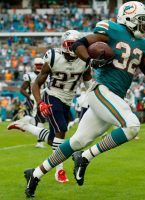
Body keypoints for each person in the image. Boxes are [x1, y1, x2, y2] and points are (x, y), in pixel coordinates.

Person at [23, 1, 145, 198]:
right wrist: (90, 60)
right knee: (132, 126)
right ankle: (85, 158)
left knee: (78, 140)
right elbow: (80, 43)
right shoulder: (112, 29)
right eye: (141, 21)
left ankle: (35, 174)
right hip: (101, 90)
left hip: (114, 98)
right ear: (128, 18)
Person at [16, 30, 91, 184]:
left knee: (54, 139)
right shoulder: (53, 57)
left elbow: (89, 82)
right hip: (52, 96)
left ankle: (26, 126)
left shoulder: (84, 60)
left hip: (68, 100)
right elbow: (37, 83)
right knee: (61, 130)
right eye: (71, 45)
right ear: (64, 45)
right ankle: (59, 171)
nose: (75, 48)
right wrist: (40, 102)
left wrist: (93, 97)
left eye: (77, 45)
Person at [8, 57, 47, 148]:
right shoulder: (30, 76)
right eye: (39, 65)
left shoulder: (47, 75)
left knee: (39, 119)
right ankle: (39, 142)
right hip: (33, 99)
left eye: (40, 65)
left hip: (42, 99)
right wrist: (30, 97)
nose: (39, 67)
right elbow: (22, 89)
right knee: (40, 119)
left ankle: (26, 120)